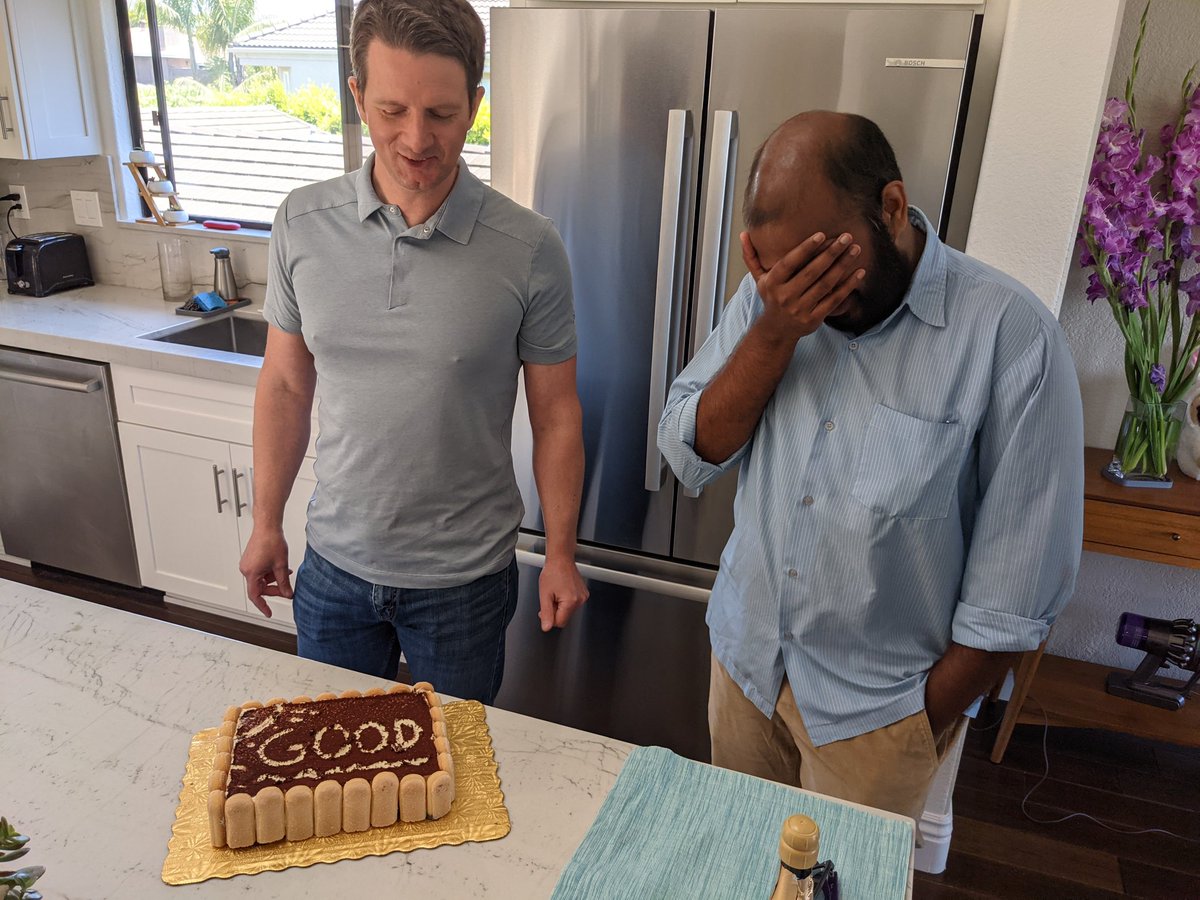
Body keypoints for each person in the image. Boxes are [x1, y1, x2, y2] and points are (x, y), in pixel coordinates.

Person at [658, 111, 1083, 825]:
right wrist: (774, 332)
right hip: (745, 670)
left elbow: (1015, 597)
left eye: (827, 266)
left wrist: (913, 725)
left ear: (890, 207)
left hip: (877, 717)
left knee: (841, 879)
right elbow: (687, 454)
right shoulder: (776, 301)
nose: (810, 295)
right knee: (737, 864)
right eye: (784, 274)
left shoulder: (1014, 341)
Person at [239, 0, 589, 704]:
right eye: (392, 110)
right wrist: (266, 522)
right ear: (357, 95)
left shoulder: (529, 248)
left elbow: (556, 414)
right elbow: (284, 386)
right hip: (333, 570)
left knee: (454, 764)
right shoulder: (301, 224)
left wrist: (559, 553)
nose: (417, 138)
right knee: (336, 756)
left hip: (465, 585)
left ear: (475, 105)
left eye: (442, 114)